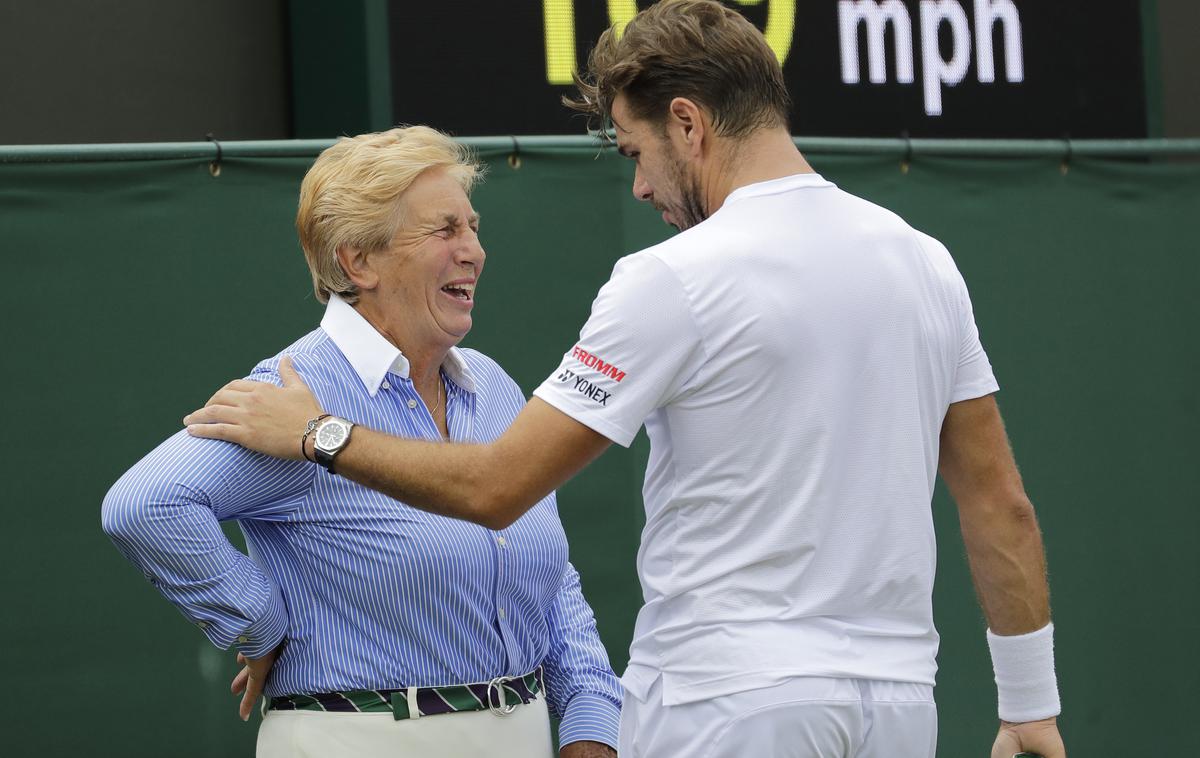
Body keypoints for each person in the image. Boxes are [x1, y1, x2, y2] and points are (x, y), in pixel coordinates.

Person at [183, 2, 1066, 757]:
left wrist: (317, 433)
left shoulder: (673, 277)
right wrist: (1030, 704)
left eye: (635, 149)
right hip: (898, 709)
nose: (640, 185)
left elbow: (497, 487)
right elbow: (1001, 505)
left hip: (726, 708)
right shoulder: (926, 263)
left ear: (690, 124)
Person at [102, 126, 621, 758]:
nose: (474, 251)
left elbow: (552, 576)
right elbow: (144, 505)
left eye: (473, 226)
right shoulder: (292, 392)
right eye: (445, 230)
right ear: (359, 261)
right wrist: (260, 626)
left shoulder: (491, 385)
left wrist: (592, 722)